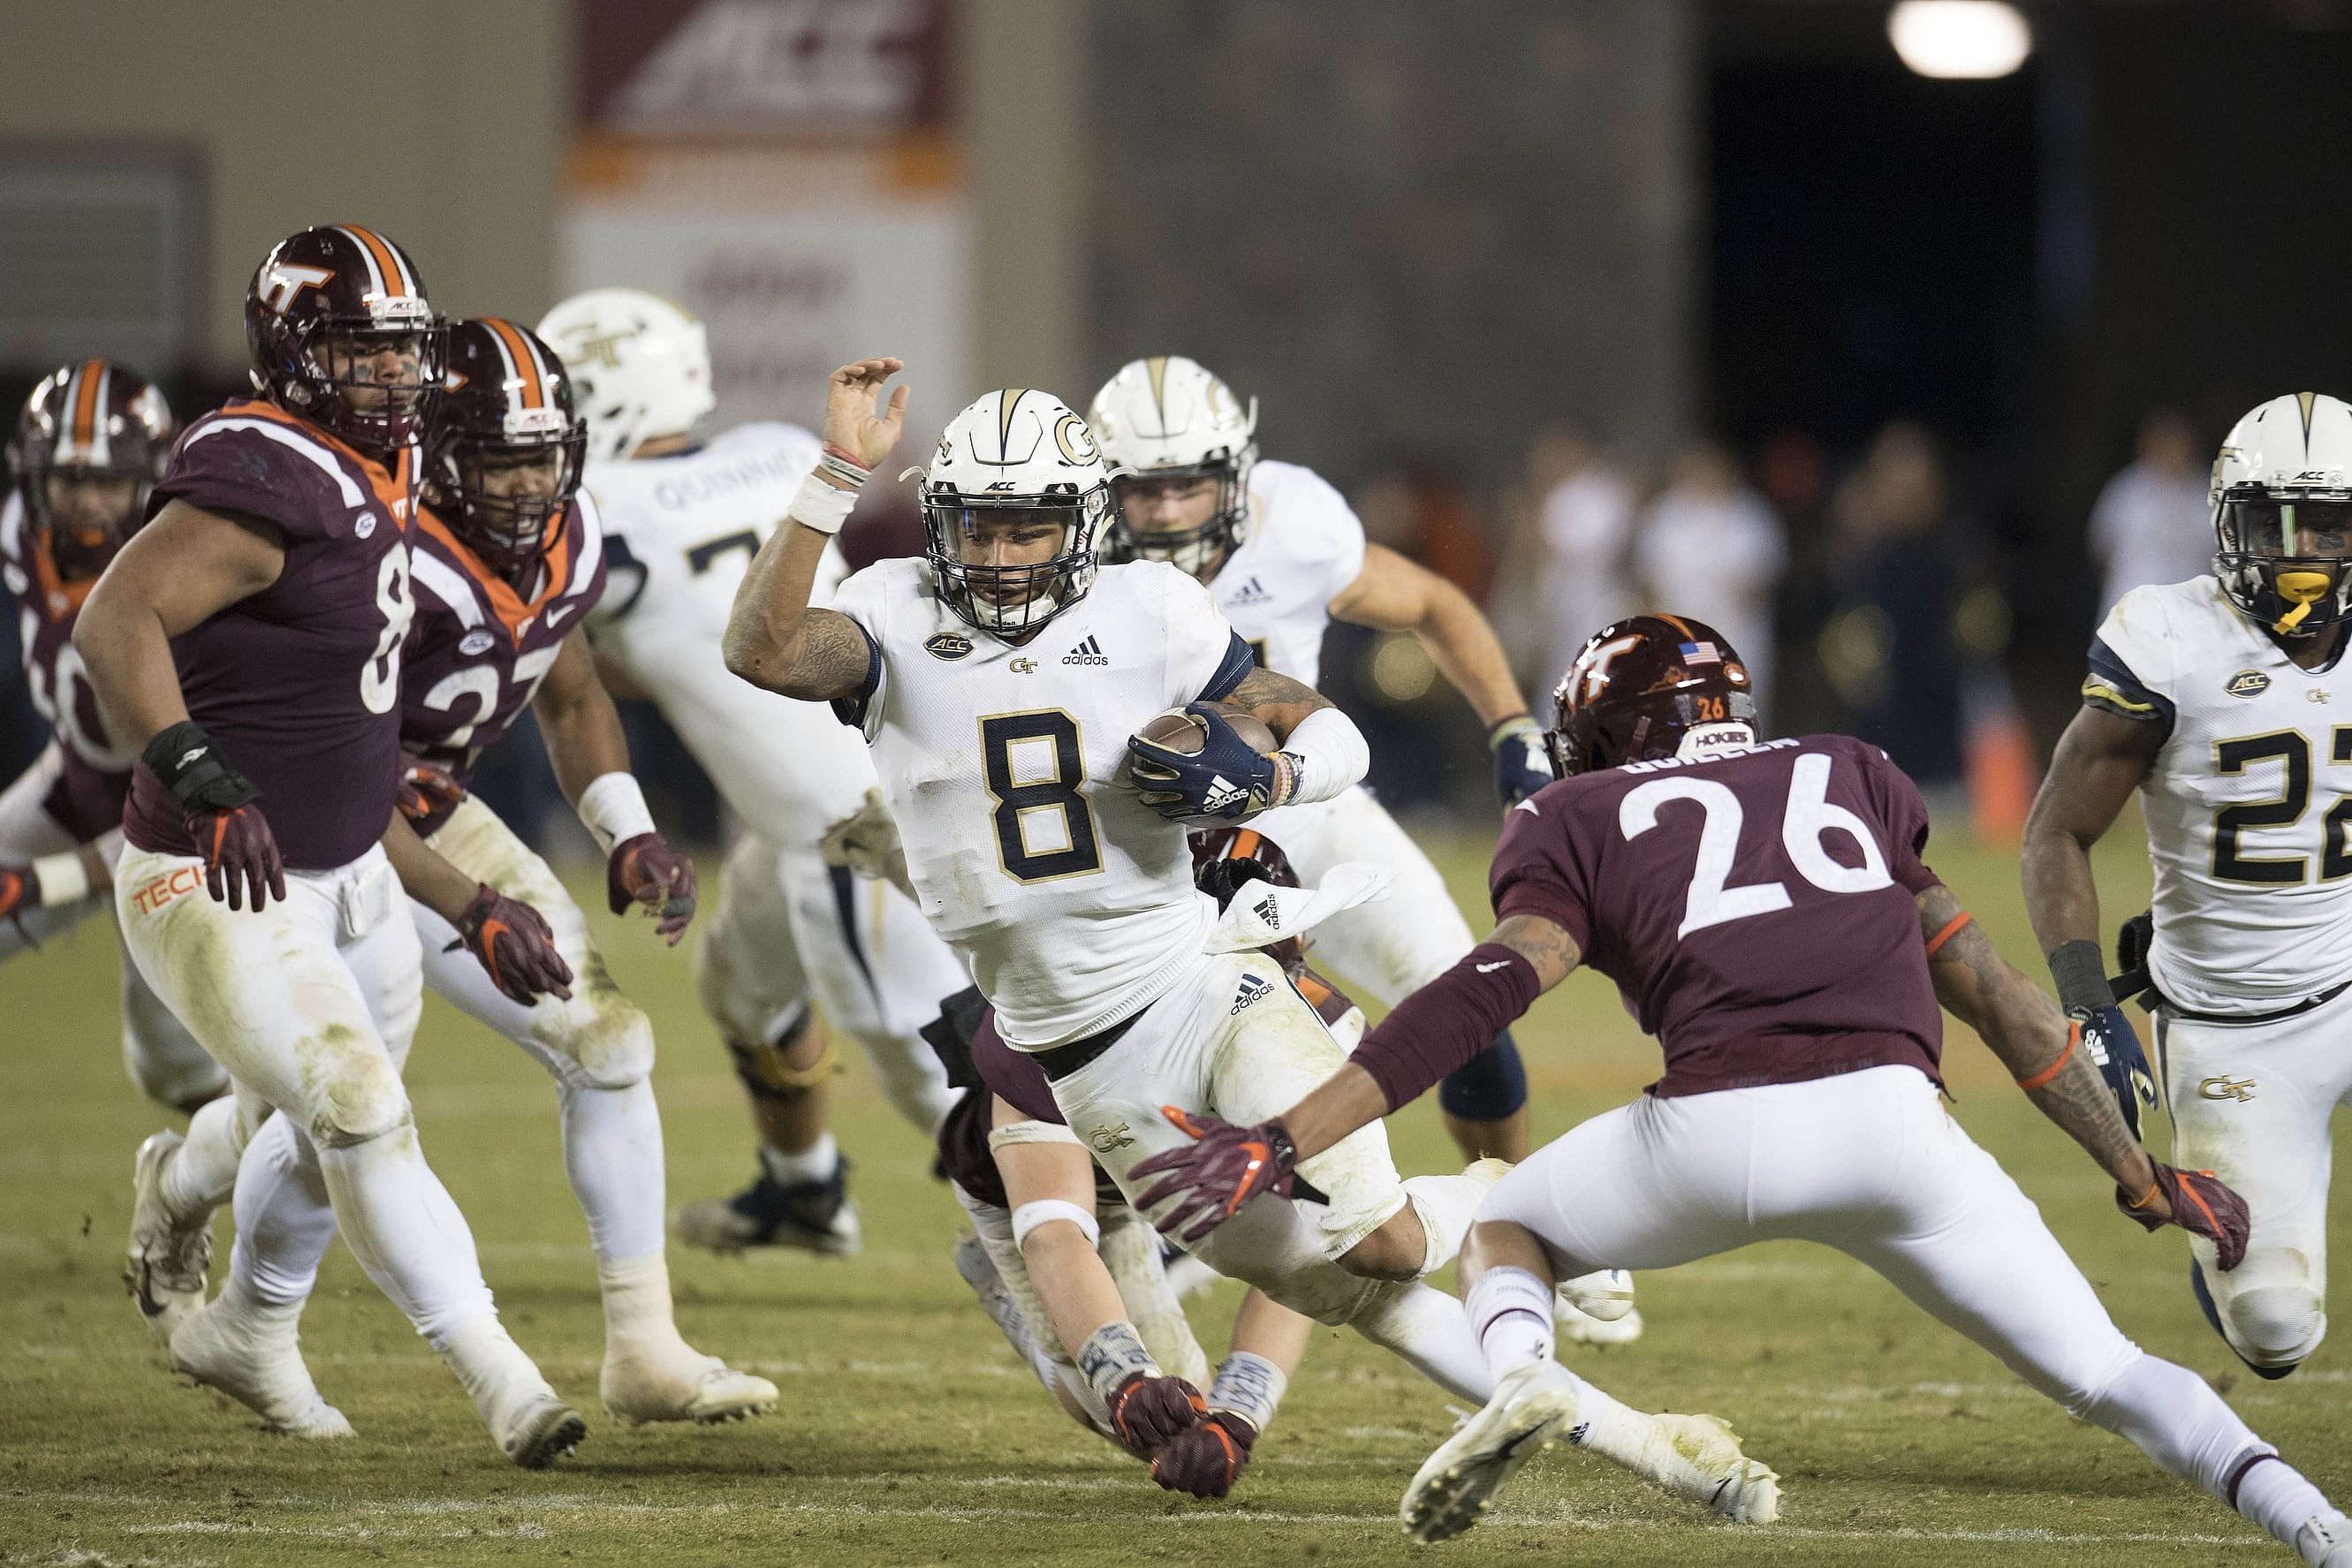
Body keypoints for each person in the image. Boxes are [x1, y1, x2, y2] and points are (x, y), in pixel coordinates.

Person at [720, 363, 1758, 1508]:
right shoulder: (890, 608)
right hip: (1077, 1051)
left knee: (1382, 1228)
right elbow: (760, 650)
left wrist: (1269, 776)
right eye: (981, 527)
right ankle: (1632, 1414)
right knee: (1360, 1274)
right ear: (939, 523)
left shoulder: (1150, 608)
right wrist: (834, 474)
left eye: (1030, 527)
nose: (1004, 556)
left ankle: (1581, 1206)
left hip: (1208, 979)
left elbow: (1318, 722)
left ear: (1081, 523)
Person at [1130, 612, 2350, 1560]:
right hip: (1898, 1132)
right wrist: (2137, 1173)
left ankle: (1525, 1374)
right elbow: (1996, 993)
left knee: (1505, 1226)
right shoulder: (1852, 770)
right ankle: (2311, 1520)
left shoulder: (1574, 810)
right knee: (2112, 1373)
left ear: (1610, 734)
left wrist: (1285, 1135)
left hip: (1709, 1135)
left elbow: (1481, 994)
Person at [88, 226, 585, 1465]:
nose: (394, 374)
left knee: (309, 1125)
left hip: (358, 869)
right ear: (293, 351)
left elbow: (351, 745)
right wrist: (195, 770)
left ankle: (241, 1318)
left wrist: (466, 898)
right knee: (358, 1106)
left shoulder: (395, 455)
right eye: (362, 350)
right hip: (219, 872)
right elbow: (115, 617)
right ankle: (506, 1379)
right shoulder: (265, 476)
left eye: (403, 348)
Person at [536, 287, 967, 1257]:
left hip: (847, 827)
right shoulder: (775, 450)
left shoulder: (599, 514)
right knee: (739, 984)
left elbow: (579, 662)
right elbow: (699, 637)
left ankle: (1116, 1221)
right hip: (841, 793)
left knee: (932, 1071)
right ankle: (805, 1191)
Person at [1088, 356, 1544, 1165]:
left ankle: (1512, 1213)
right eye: (1144, 489)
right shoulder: (1073, 565)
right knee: (1153, 1089)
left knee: (1471, 1015)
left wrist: (1512, 726)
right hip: (1153, 859)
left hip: (1308, 810)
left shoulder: (1294, 525)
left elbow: (1433, 602)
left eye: (1190, 484)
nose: (1168, 511)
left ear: (1236, 475)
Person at [2024, 391, 2352, 1386]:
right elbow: (2056, 830)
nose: (2303, 554)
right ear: (2225, 521)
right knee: (2276, 1330)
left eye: (2328, 524)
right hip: (2234, 1026)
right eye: (2276, 524)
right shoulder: (2170, 638)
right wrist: (2089, 1005)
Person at [0, 361, 224, 1112]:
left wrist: (43, 883)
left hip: (172, 826)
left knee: (174, 1069)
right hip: (75, 783)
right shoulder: (20, 528)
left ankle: (238, 1165)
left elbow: (189, 791)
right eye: (70, 480)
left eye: (109, 481)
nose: (88, 502)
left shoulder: (188, 578)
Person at [1633, 441, 1785, 708]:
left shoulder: (1751, 515)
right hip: (1679, 629)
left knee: (1736, 702)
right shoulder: (1666, 513)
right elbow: (1647, 575)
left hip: (1734, 631)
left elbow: (1765, 575)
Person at [2090, 409, 2212, 616]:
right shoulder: (2128, 488)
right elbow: (2102, 550)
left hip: (2190, 614)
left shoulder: (2206, 492)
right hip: (2130, 611)